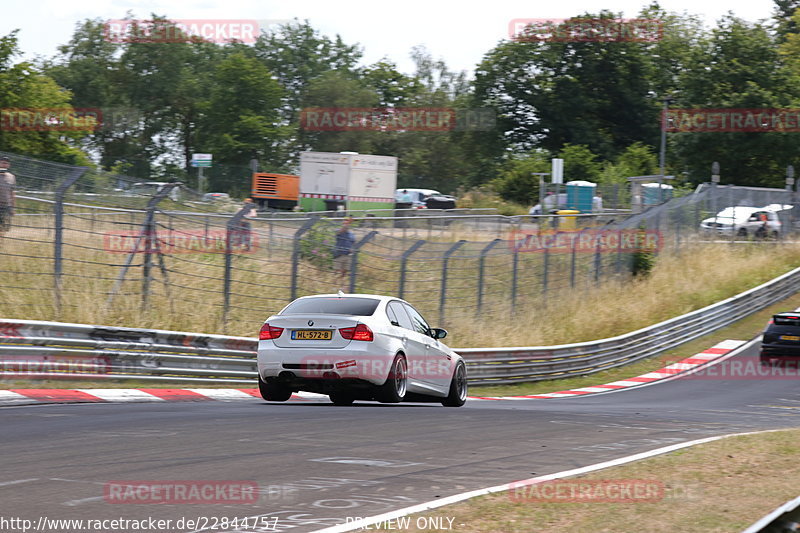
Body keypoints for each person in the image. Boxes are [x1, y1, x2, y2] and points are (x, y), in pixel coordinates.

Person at [0, 156, 16, 236]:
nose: (4, 165)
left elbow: (12, 193)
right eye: (2, 162)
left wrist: (12, 207)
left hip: (6, 206)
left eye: (6, 163)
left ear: (9, 165)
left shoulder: (11, 177)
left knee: (4, 229)